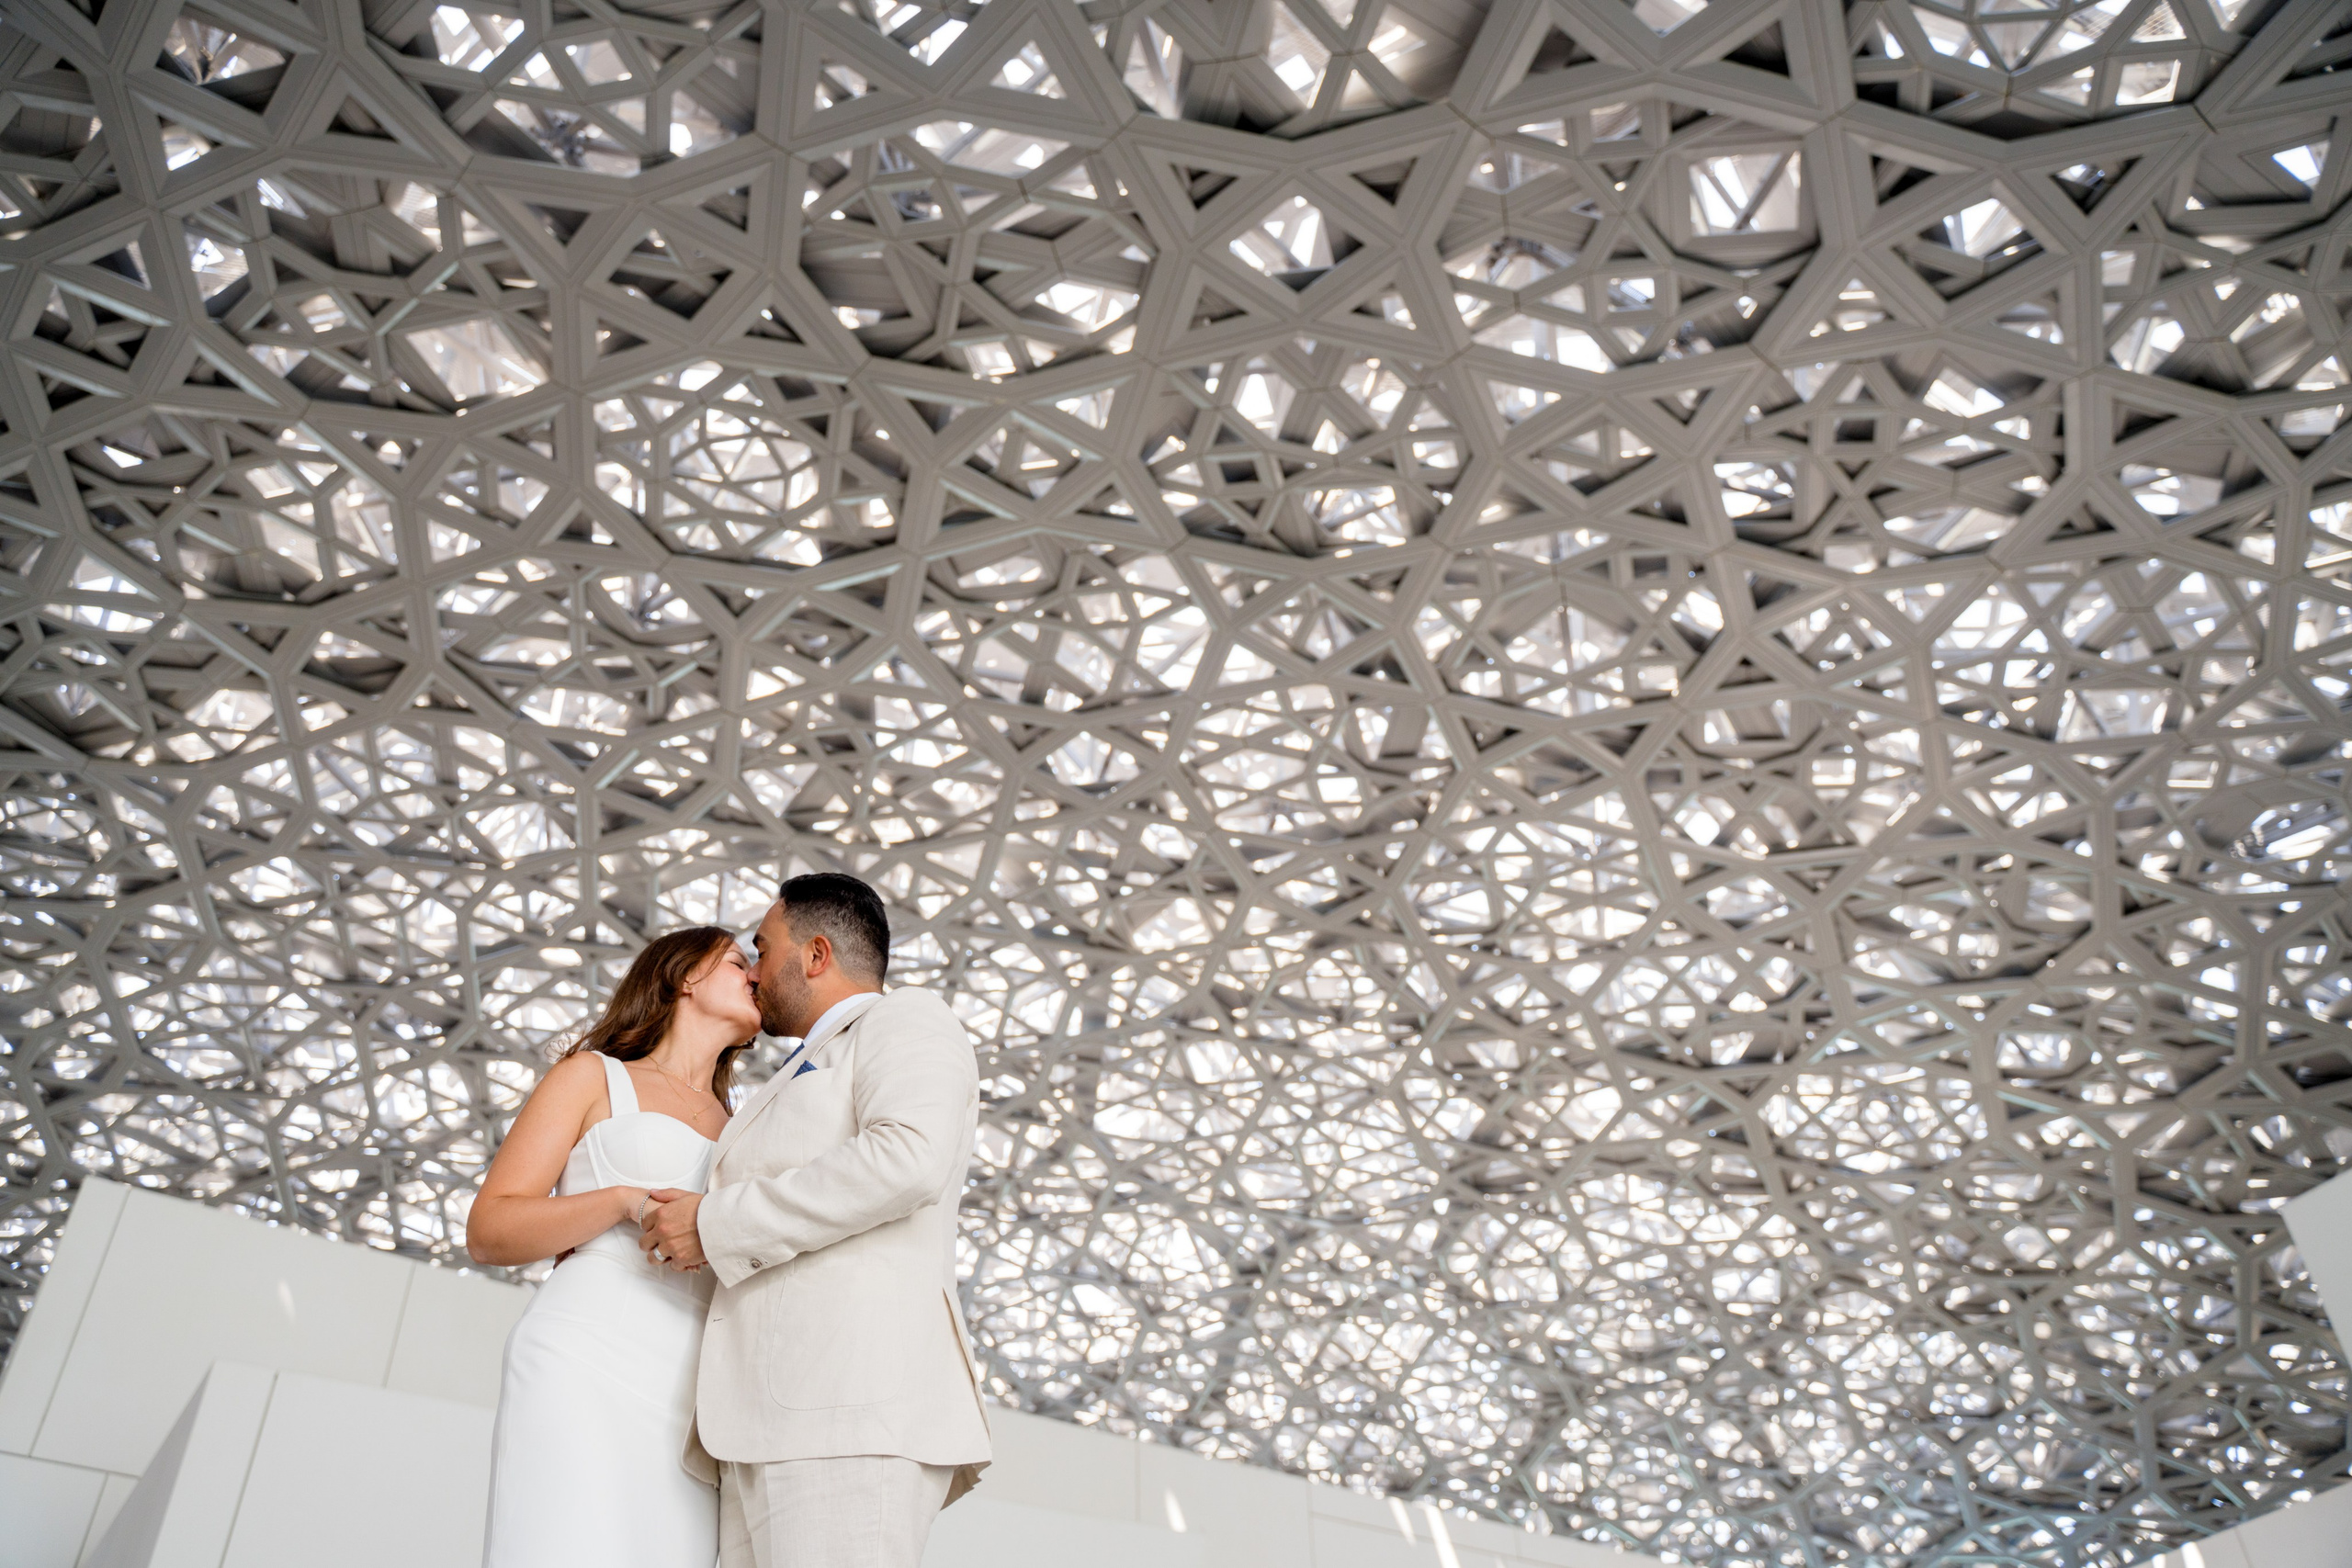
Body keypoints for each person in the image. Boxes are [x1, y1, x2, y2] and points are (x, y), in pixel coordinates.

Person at [637, 872, 992, 1568]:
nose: (755, 972)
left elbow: (909, 1156)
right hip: (761, 1425)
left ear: (818, 955)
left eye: (763, 950)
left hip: (846, 1413)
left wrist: (715, 1224)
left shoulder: (906, 1018)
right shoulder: (791, 1074)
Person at [469, 926, 760, 1568]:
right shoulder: (591, 1076)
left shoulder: (752, 1130)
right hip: (584, 1350)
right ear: (685, 975)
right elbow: (490, 1230)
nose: (757, 975)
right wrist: (620, 1202)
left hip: (692, 1395)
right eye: (740, 961)